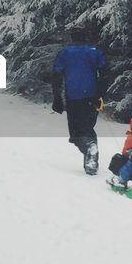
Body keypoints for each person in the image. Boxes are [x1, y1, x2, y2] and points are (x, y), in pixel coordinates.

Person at [51, 28, 105, 174]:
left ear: (72, 37)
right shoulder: (94, 51)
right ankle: (91, 158)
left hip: (73, 97)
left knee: (75, 133)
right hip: (92, 96)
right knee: (87, 127)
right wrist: (100, 95)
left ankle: (89, 148)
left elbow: (56, 75)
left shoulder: (65, 53)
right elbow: (105, 73)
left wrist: (57, 97)